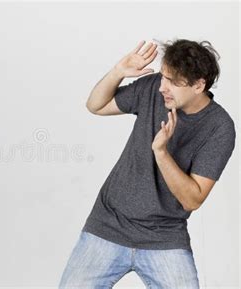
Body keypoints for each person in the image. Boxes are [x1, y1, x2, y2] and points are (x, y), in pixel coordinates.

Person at [59, 39, 236, 288]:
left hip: (164, 236)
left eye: (174, 82)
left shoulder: (219, 127)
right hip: (109, 224)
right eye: (163, 76)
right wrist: (118, 71)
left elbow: (192, 199)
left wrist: (161, 152)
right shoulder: (153, 88)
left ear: (199, 85)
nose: (163, 86)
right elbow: (95, 105)